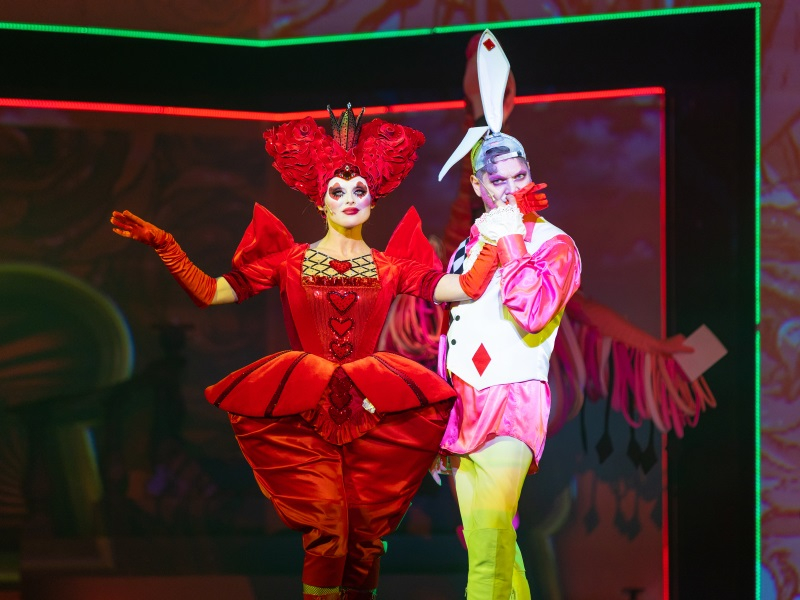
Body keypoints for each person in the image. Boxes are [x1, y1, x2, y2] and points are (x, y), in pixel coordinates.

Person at [110, 105, 497, 600]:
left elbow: (466, 287)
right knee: (328, 530)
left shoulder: (392, 267)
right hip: (304, 411)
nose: (350, 198)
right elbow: (210, 292)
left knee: (365, 540)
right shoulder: (289, 261)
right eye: (338, 191)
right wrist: (166, 245)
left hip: (372, 410)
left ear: (373, 200)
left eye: (360, 190)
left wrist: (498, 231)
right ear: (321, 202)